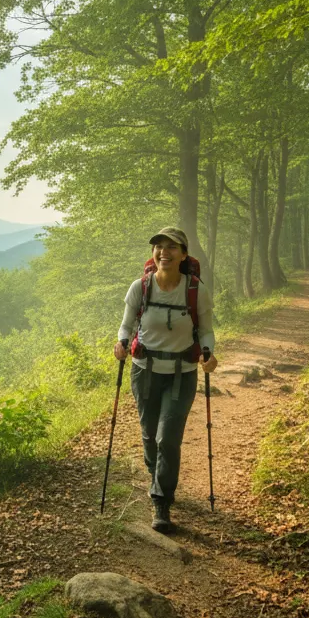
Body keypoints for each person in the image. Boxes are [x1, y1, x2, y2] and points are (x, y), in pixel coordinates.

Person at [113, 226, 219, 533]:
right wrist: (121, 342)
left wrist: (209, 353)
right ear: (153, 254)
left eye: (172, 247)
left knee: (167, 439)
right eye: (159, 247)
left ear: (184, 255)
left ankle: (161, 500)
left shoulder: (195, 289)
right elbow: (127, 324)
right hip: (144, 370)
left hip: (181, 374)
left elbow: (206, 329)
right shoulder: (141, 287)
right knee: (149, 436)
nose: (164, 252)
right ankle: (157, 475)